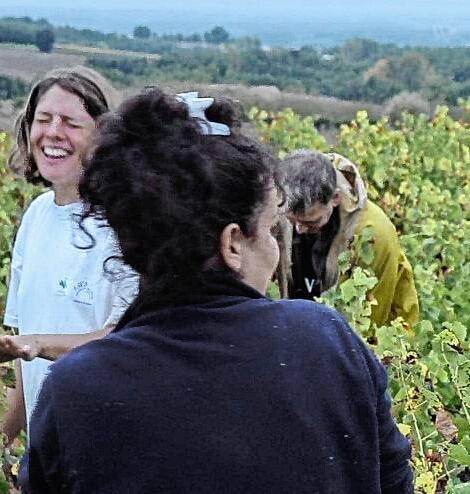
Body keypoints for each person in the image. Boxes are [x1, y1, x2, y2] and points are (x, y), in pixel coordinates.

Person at [21, 89, 413, 493]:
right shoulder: (324, 341)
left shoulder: (76, 391)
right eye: (269, 229)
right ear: (232, 244)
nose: (276, 248)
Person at [1, 66, 137, 447]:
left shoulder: (129, 227)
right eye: (43, 119)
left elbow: (129, 342)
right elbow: (25, 356)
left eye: (72, 123)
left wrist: (40, 343)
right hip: (49, 456)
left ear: (104, 137)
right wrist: (6, 441)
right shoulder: (37, 215)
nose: (53, 133)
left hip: (106, 449)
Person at [275, 149, 419, 327]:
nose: (300, 229)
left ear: (335, 198)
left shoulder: (373, 235)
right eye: (292, 221)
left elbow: (369, 322)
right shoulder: (279, 207)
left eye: (311, 222)